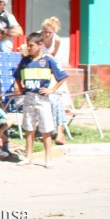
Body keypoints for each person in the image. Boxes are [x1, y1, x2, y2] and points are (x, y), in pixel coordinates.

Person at [14, 31, 68, 167]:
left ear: (40, 45)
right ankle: (28, 157)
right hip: (29, 97)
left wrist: (52, 89)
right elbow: (17, 76)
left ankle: (48, 158)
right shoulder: (25, 61)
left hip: (42, 98)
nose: (29, 48)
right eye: (28, 45)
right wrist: (19, 87)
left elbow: (62, 76)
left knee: (46, 129)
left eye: (31, 45)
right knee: (29, 128)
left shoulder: (48, 60)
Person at [41, 16, 71, 144]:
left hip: (50, 67)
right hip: (39, 68)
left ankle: (60, 131)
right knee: (54, 99)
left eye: (50, 32)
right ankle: (59, 131)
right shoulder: (38, 37)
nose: (47, 34)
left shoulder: (57, 40)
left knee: (59, 98)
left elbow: (52, 56)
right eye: (45, 31)